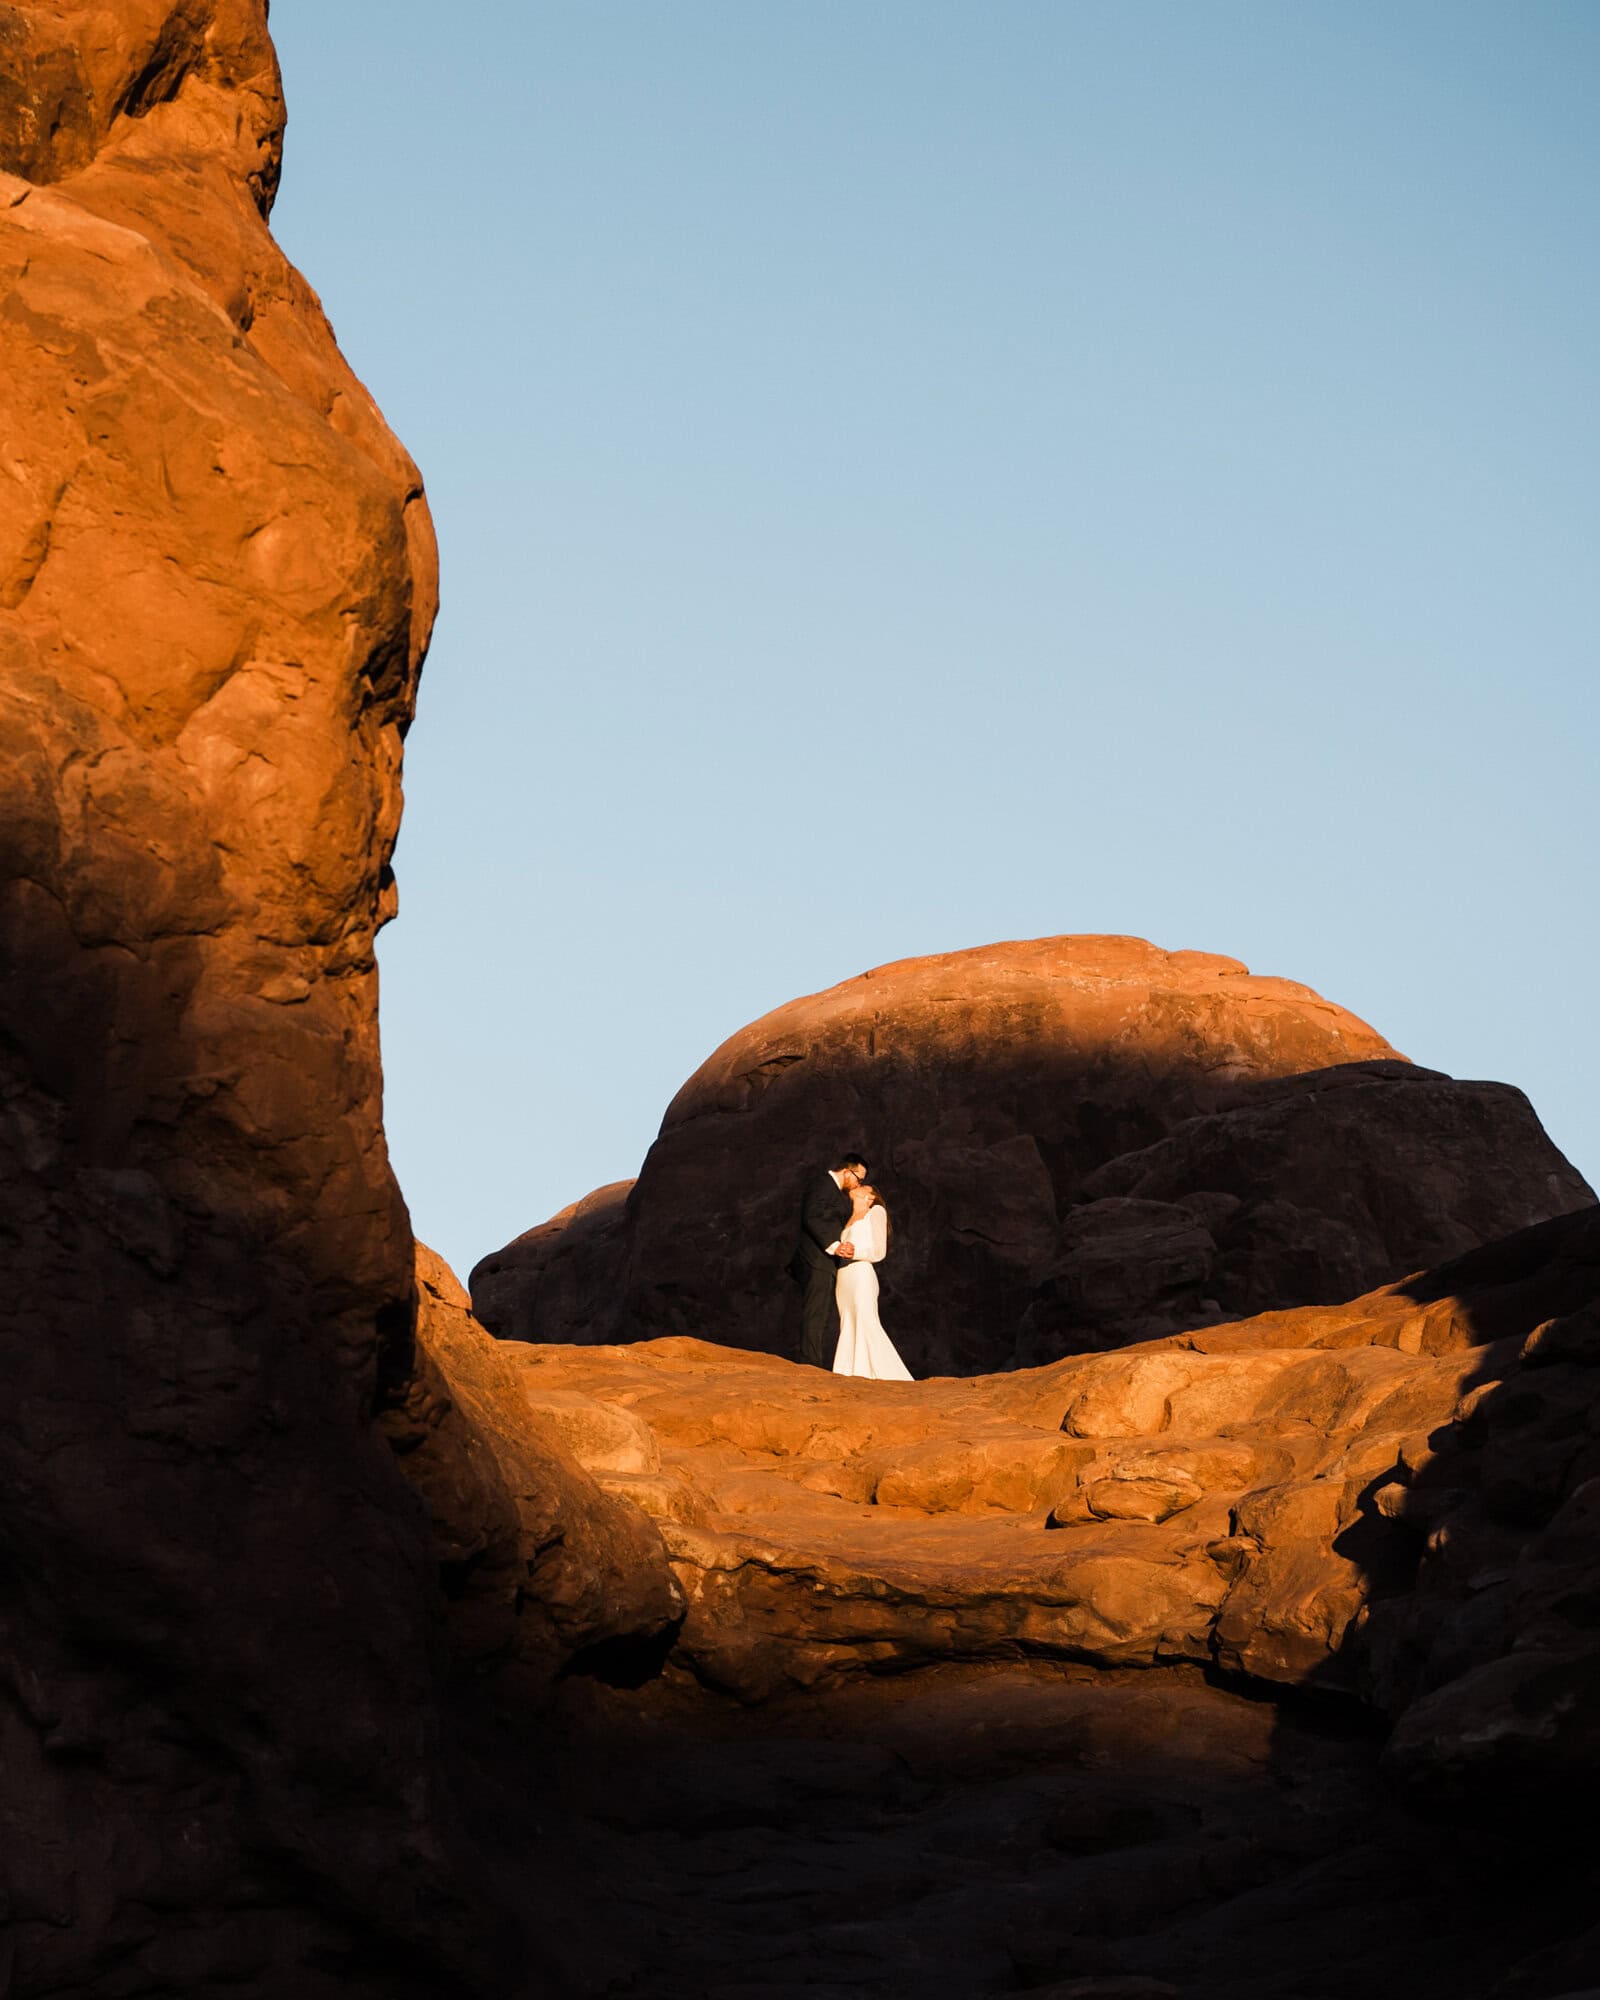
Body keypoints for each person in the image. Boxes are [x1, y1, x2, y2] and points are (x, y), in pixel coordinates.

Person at [789, 1152, 867, 1368]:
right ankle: (809, 1364)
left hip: (822, 1261)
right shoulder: (824, 1183)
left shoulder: (831, 1190)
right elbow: (812, 1215)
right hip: (817, 1259)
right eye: (859, 1178)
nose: (858, 1184)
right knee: (816, 1312)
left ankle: (810, 1361)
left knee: (819, 1313)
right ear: (846, 1171)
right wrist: (835, 1246)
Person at [833, 1183, 913, 1381]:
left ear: (871, 1197)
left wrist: (856, 1252)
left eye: (864, 1186)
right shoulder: (849, 1219)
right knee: (848, 1321)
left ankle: (886, 1376)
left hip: (861, 1273)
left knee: (865, 1319)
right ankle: (848, 1373)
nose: (858, 1185)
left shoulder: (875, 1211)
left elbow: (879, 1251)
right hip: (845, 1276)